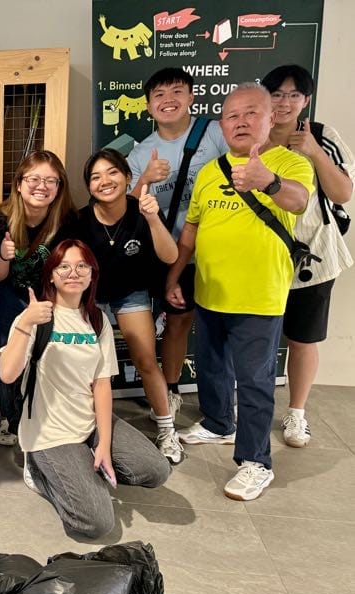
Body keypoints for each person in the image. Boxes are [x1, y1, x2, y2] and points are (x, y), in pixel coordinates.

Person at [170, 83, 314, 501]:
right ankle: (218, 422)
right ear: (222, 124)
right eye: (232, 116)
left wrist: (267, 181)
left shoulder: (289, 163)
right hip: (211, 290)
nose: (241, 122)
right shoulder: (211, 171)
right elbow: (192, 229)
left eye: (252, 113)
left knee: (254, 381)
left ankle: (255, 462)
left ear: (271, 119)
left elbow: (300, 201)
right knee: (212, 365)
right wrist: (174, 274)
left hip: (259, 295)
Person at [0, 240, 170, 538]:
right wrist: (26, 322)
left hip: (87, 422)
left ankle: (84, 464)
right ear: (51, 275)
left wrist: (103, 442)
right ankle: (42, 473)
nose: (73, 272)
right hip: (49, 432)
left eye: (81, 266)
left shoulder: (97, 319)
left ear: (92, 274)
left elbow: (101, 383)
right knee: (97, 523)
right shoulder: (37, 317)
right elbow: (8, 374)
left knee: (156, 470)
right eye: (63, 266)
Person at [127, 68, 229, 420]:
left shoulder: (214, 132)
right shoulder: (142, 153)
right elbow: (125, 208)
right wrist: (145, 179)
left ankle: (215, 404)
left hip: (216, 252)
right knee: (174, 321)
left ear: (191, 97)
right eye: (158, 94)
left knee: (204, 325)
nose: (168, 100)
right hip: (167, 256)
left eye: (176, 91)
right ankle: (169, 391)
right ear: (148, 105)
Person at [261, 65, 354, 447]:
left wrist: (314, 152)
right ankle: (251, 407)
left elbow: (342, 193)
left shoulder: (321, 136)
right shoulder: (248, 135)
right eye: (276, 94)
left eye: (293, 95)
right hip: (261, 256)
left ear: (306, 100)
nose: (284, 103)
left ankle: (296, 413)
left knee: (303, 338)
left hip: (311, 257)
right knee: (257, 337)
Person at [71, 149, 182, 463]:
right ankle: (86, 431)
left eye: (112, 172)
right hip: (90, 298)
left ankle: (167, 431)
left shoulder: (141, 210)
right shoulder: (80, 220)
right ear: (89, 187)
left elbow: (170, 256)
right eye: (95, 177)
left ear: (128, 177)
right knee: (86, 367)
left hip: (130, 293)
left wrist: (152, 219)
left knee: (146, 359)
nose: (105, 181)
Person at [0, 150, 75, 447]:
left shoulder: (67, 221)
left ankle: (42, 415)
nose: (42, 186)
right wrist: (3, 254)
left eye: (51, 180)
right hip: (10, 296)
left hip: (52, 299)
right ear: (19, 184)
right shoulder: (0, 219)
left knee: (47, 357)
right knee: (7, 357)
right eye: (34, 178)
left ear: (60, 187)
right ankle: (9, 418)